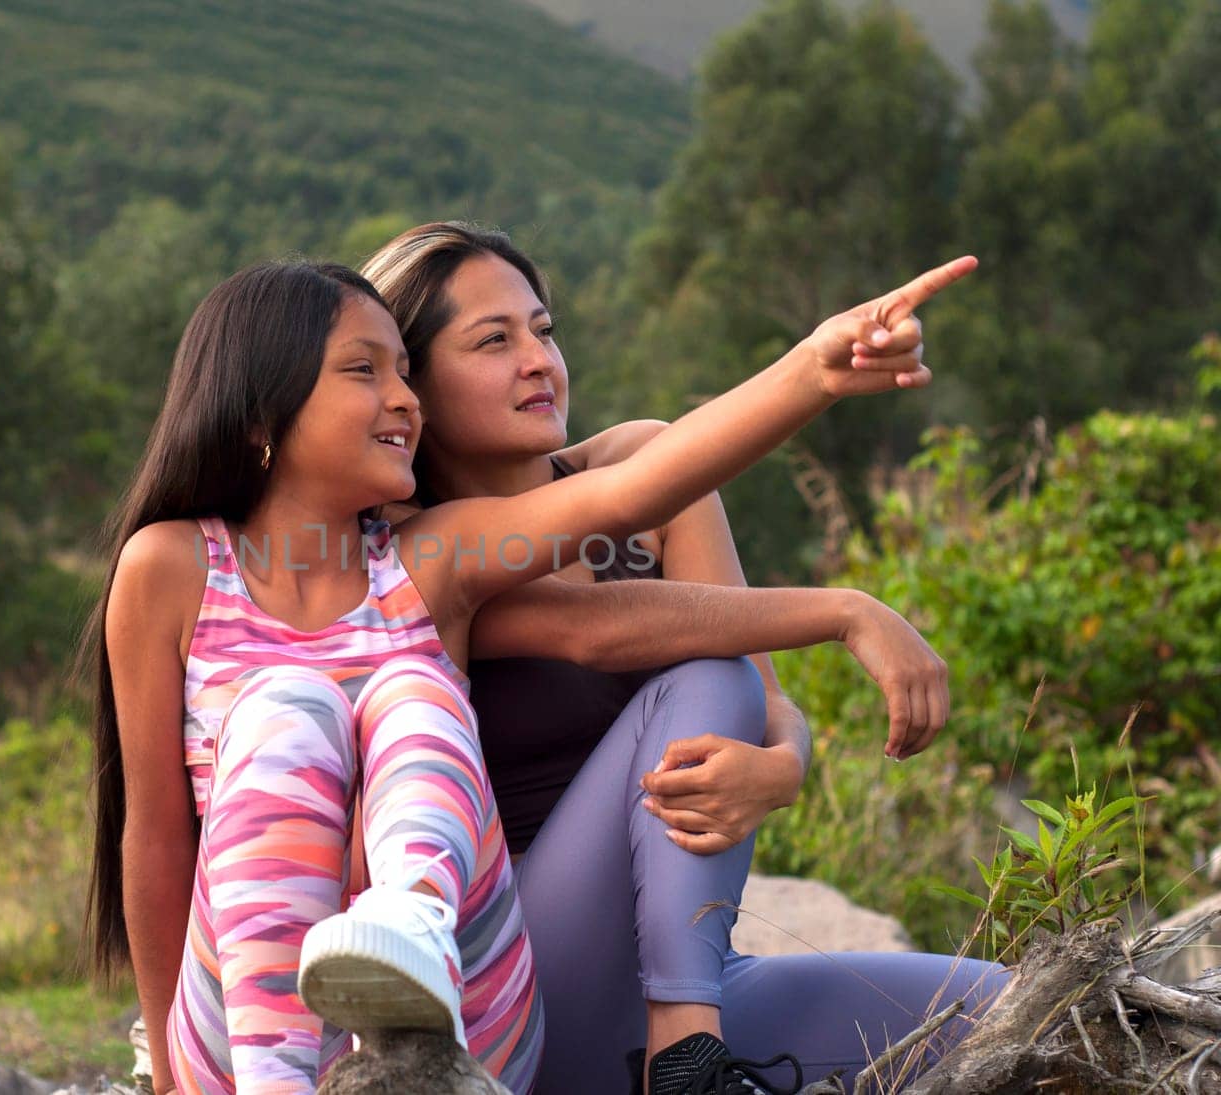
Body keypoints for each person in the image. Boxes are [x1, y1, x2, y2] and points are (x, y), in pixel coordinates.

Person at [85, 254, 975, 1095]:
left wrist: (816, 369)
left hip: (467, 1007)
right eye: (366, 372)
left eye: (403, 373)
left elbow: (631, 493)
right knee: (288, 705)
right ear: (258, 412)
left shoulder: (427, 558)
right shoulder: (171, 568)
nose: (401, 399)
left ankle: (414, 928)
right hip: (243, 1022)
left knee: (413, 693)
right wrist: (167, 1062)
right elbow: (156, 837)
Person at [358, 222, 1005, 1095]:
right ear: (415, 383)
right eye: (493, 340)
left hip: (685, 980)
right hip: (510, 992)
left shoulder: (645, 467)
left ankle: (690, 1054)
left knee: (1003, 1010)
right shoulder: (414, 552)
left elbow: (772, 708)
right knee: (710, 668)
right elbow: (607, 629)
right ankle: (689, 1058)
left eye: (543, 330)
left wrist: (782, 768)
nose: (536, 360)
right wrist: (846, 609)